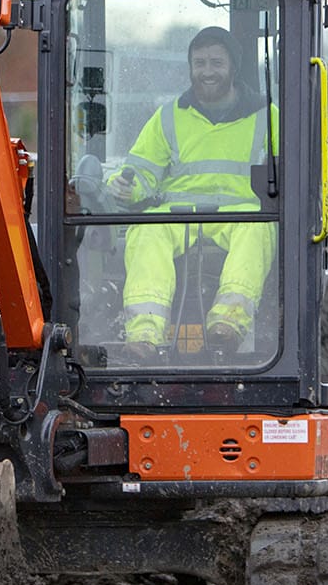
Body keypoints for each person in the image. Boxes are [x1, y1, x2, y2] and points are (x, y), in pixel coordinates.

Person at [106, 26, 278, 359]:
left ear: (233, 67)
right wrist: (128, 187)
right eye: (200, 63)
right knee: (145, 231)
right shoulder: (168, 117)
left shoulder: (267, 117)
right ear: (190, 67)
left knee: (260, 229)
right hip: (178, 215)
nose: (207, 72)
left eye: (216, 62)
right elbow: (143, 170)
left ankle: (228, 325)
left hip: (241, 215)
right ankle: (144, 335)